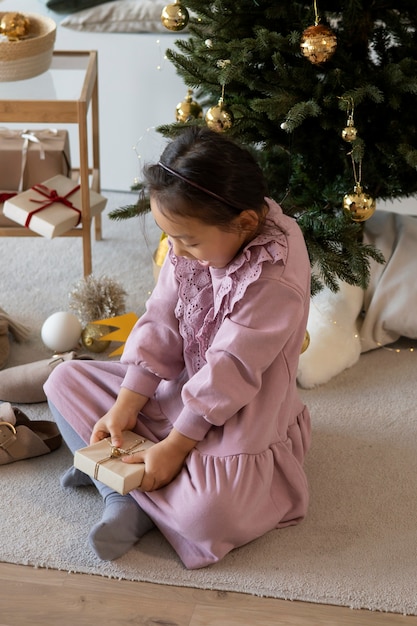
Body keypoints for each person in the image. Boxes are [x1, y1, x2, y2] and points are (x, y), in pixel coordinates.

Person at [44, 126, 312, 570]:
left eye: (188, 241)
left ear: (245, 223)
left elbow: (231, 370)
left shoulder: (275, 274)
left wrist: (174, 448)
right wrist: (128, 403)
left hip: (239, 410)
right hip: (180, 384)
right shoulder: (190, 249)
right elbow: (162, 316)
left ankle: (122, 488)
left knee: (208, 515)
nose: (178, 254)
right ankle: (122, 493)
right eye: (171, 239)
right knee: (62, 380)